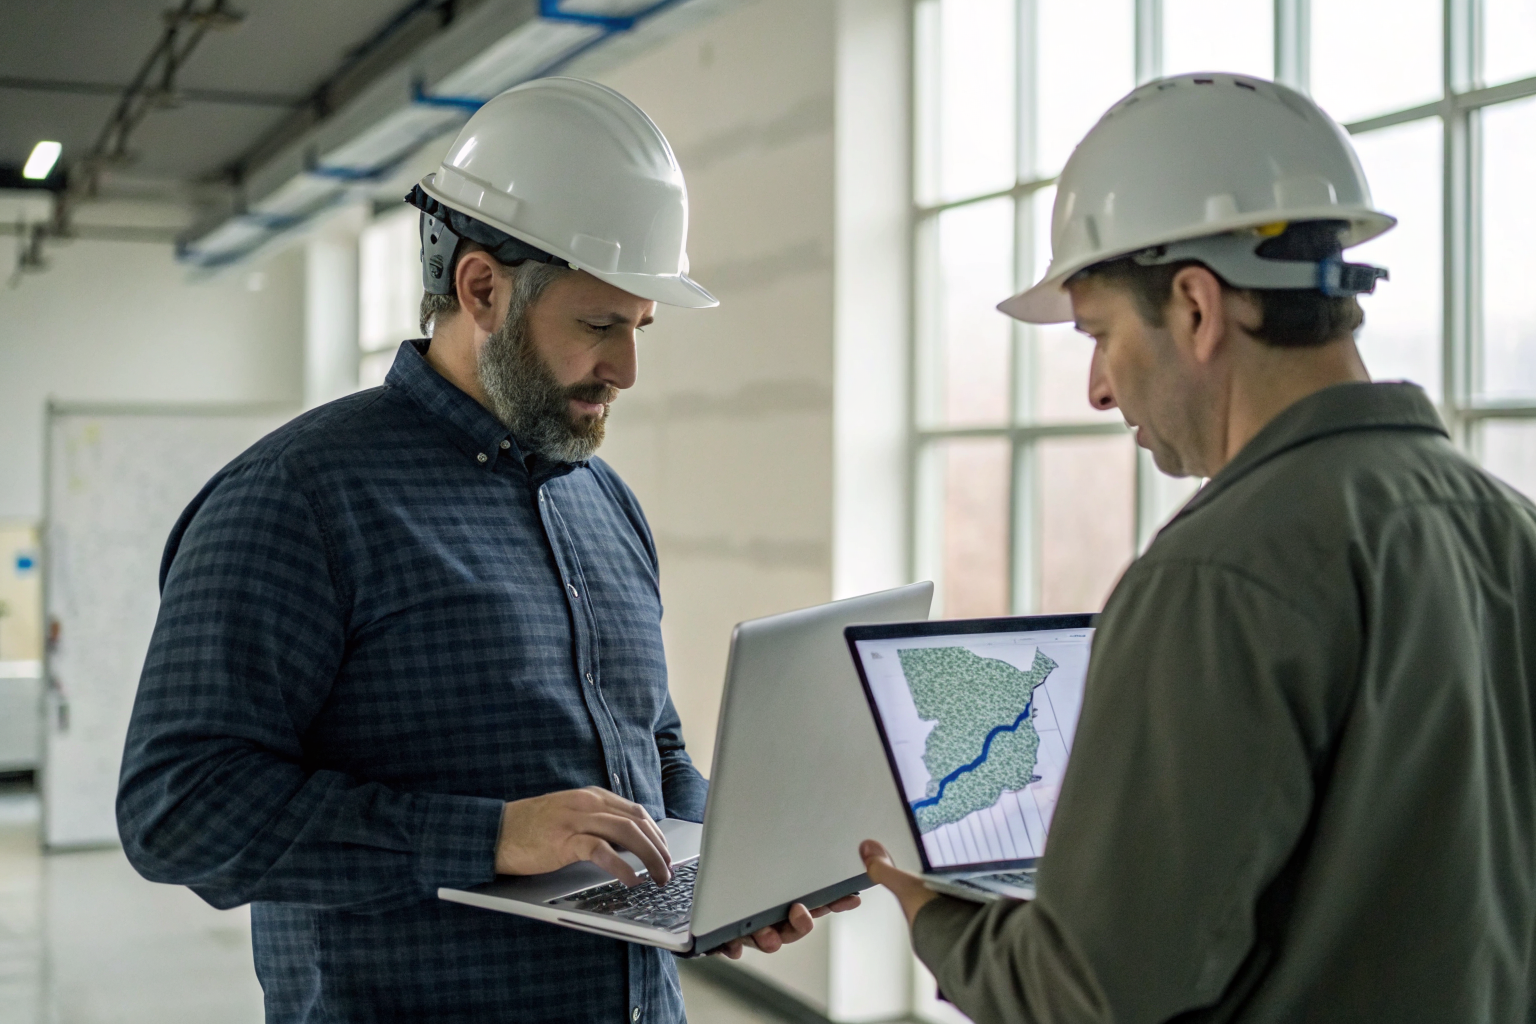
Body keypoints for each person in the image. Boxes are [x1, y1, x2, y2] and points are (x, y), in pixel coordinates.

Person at [117, 77, 850, 1024]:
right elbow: (177, 809)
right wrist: (488, 837)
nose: (627, 370)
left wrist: (733, 862)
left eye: (640, 328)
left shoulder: (604, 503)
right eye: (599, 325)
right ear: (481, 288)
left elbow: (651, 747)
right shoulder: (299, 499)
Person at [863, 72, 1536, 1022]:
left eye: (1100, 334)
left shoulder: (1216, 576)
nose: (1098, 388)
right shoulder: (1507, 525)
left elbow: (1093, 994)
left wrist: (938, 918)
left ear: (1195, 305)